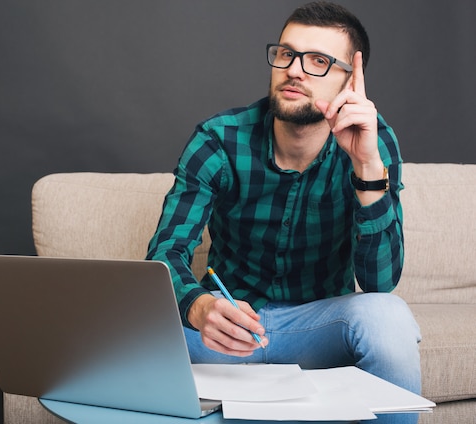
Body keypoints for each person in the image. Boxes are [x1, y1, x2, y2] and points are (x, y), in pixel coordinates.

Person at [147, 2, 421, 423]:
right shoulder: (219, 139)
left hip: (318, 329)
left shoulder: (373, 142)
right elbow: (166, 250)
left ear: (350, 80)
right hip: (227, 329)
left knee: (390, 317)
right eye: (286, 54)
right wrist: (199, 307)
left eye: (318, 61)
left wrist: (366, 168)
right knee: (118, 338)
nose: (294, 70)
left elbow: (380, 283)